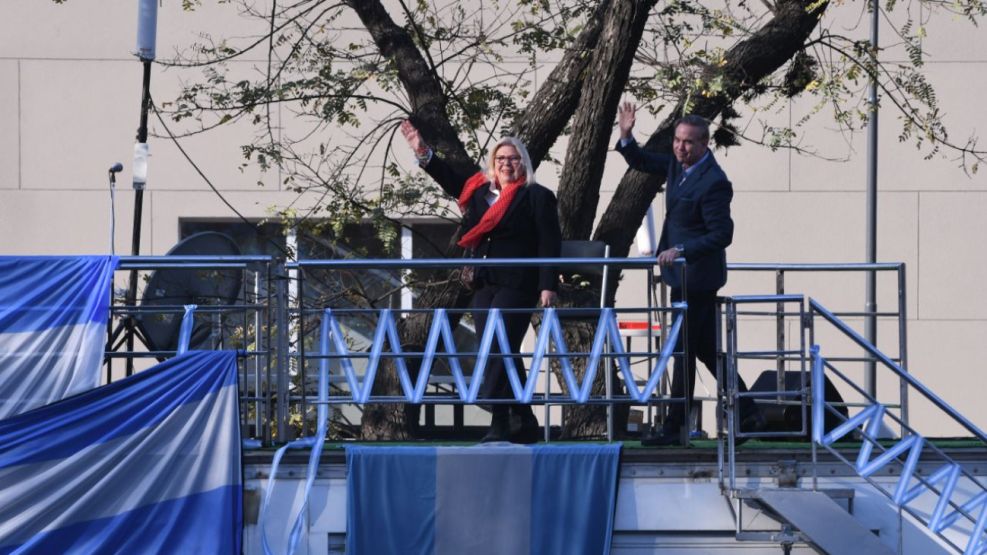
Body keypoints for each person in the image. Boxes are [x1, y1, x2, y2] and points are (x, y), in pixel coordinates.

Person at [401, 121, 562, 443]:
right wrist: (423, 151)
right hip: (484, 281)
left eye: (513, 158)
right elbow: (450, 180)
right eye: (500, 158)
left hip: (519, 282)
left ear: (524, 163)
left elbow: (549, 241)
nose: (506, 163)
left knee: (497, 343)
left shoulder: (537, 196)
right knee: (504, 349)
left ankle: (499, 418)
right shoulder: (479, 192)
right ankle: (525, 418)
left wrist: (548, 285)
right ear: (493, 163)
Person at [615, 102, 762, 446]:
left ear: (705, 144)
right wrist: (626, 134)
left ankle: (674, 428)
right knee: (705, 351)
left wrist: (681, 251)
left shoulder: (714, 182)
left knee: (683, 351)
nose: (681, 147)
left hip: (697, 279)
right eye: (678, 141)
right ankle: (749, 413)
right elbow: (640, 160)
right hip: (681, 279)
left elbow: (722, 234)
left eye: (689, 142)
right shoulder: (676, 166)